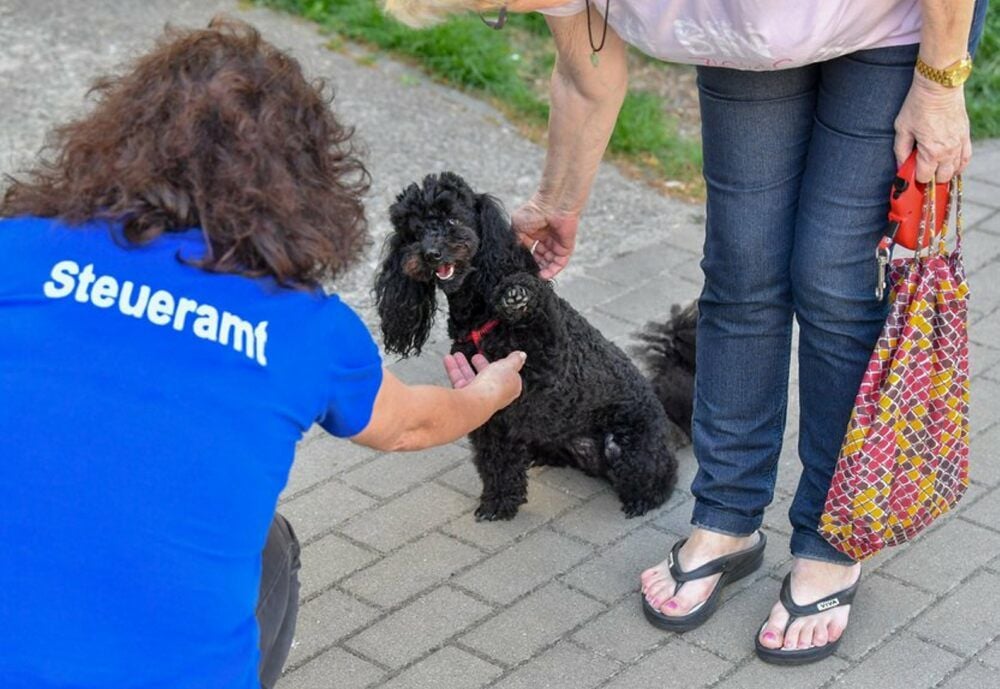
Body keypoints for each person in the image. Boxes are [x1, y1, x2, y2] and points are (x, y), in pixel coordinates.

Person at [383, 0, 988, 664]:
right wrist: (559, 201)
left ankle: (831, 540)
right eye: (496, 11)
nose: (514, 11)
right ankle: (728, 518)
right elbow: (586, 71)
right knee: (741, 265)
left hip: (892, 23)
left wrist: (938, 79)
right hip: (751, 33)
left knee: (831, 277)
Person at [0, 19, 526, 689]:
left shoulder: (16, 249)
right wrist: (488, 395)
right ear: (302, 186)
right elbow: (410, 423)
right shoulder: (306, 329)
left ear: (121, 139)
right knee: (270, 548)